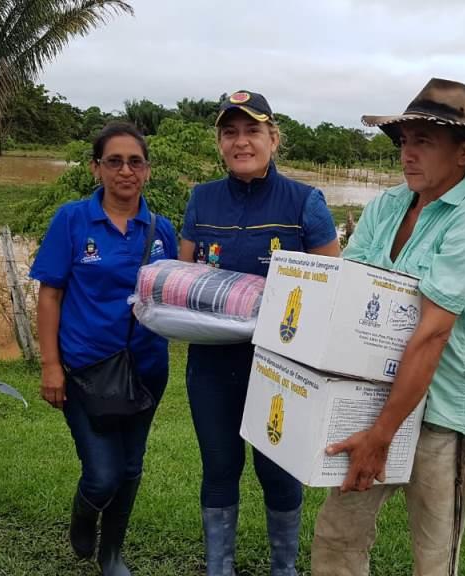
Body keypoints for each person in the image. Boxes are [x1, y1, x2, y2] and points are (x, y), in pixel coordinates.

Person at [310, 78, 465, 575]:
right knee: (337, 532)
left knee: (434, 555)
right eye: (404, 141)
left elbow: (433, 333)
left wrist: (381, 435)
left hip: (442, 415)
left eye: (424, 141)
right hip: (373, 399)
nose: (407, 154)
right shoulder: (387, 205)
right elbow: (351, 293)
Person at [179, 90, 341, 576]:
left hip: (280, 369)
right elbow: (185, 279)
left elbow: (333, 285)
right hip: (211, 366)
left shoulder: (304, 202)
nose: (241, 141)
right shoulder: (201, 199)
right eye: (230, 132)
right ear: (220, 143)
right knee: (220, 467)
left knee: (278, 471)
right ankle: (218, 566)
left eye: (252, 131)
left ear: (273, 137)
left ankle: (284, 567)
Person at [30, 122, 178, 576]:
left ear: (148, 171)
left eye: (135, 161)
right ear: (96, 168)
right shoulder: (72, 220)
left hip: (146, 370)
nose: (125, 171)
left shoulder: (161, 230)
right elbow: (50, 295)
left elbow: (175, 291)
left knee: (131, 468)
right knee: (102, 474)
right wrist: (51, 365)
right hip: (85, 371)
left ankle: (111, 553)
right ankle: (84, 509)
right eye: (114, 161)